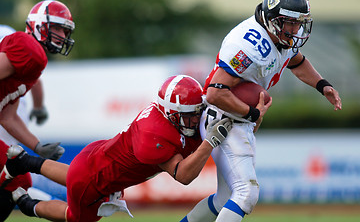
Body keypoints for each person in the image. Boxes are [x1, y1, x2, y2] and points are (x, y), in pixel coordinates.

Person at [181, 0, 342, 222]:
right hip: (224, 119)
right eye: (291, 22)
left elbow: (296, 62)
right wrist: (252, 113)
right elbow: (215, 92)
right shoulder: (248, 44)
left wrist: (322, 85)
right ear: (274, 20)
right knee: (247, 193)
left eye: (299, 23)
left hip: (237, 119)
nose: (296, 29)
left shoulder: (279, 37)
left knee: (225, 198)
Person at [1, 75, 233, 222]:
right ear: (173, 113)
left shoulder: (166, 115)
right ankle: (26, 204)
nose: (196, 118)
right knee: (74, 217)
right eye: (190, 115)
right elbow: (183, 176)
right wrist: (208, 142)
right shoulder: (155, 138)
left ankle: (25, 162)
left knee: (75, 175)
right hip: (96, 178)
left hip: (95, 158)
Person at [0, 0, 75, 221]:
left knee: (20, 182)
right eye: (58, 28)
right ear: (40, 26)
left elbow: (7, 117)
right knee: (17, 181)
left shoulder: (35, 63)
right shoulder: (27, 47)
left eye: (65, 30)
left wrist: (37, 145)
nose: (63, 34)